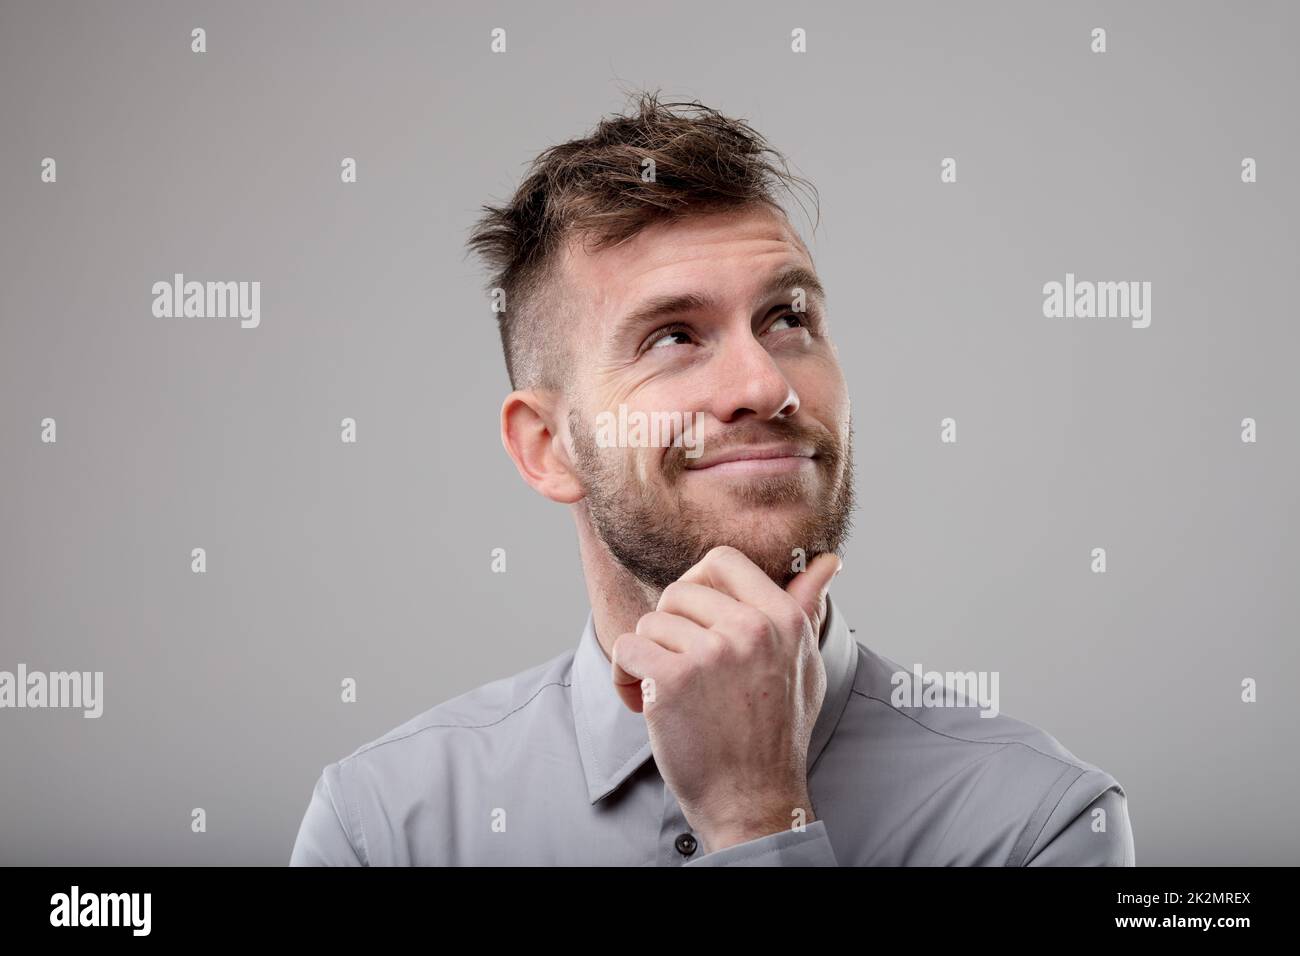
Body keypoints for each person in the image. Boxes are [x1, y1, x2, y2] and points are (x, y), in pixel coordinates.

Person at [290, 90, 1134, 866]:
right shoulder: (383, 827)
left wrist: (759, 819)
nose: (767, 385)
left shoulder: (1039, 824)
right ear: (548, 446)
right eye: (673, 338)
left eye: (788, 318)